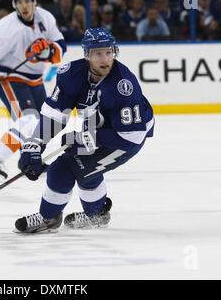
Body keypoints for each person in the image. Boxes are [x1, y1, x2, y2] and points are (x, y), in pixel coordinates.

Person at [15, 27, 154, 233]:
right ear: (87, 55)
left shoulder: (123, 84)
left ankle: (55, 217)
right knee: (82, 165)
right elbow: (55, 115)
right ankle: (94, 215)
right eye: (98, 53)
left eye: (108, 52)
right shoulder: (71, 74)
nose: (105, 59)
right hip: (97, 127)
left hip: (125, 136)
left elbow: (132, 136)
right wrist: (34, 145)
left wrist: (87, 137)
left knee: (69, 167)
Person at [0, 0, 66, 181]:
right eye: (19, 2)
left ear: (34, 1)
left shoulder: (46, 18)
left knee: (45, 123)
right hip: (8, 78)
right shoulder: (6, 27)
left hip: (34, 78)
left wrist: (49, 51)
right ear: (14, 4)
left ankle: (28, 159)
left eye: (28, 1)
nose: (24, 6)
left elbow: (61, 47)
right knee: (28, 120)